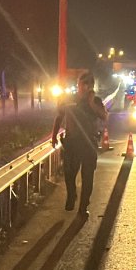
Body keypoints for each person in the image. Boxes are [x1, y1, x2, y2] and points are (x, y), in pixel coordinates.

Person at [52, 72, 108, 216]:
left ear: (92, 86)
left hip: (89, 143)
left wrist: (91, 104)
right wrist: (54, 136)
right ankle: (72, 194)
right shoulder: (69, 99)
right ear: (78, 85)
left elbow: (104, 116)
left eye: (89, 84)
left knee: (87, 176)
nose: (86, 87)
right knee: (69, 174)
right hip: (72, 142)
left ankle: (83, 208)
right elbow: (59, 117)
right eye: (83, 84)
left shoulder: (95, 100)